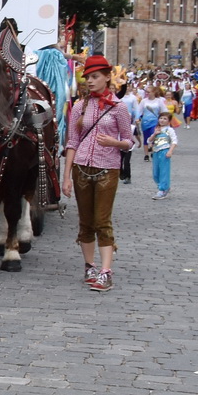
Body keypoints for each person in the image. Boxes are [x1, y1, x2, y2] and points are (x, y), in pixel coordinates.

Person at [64, 57, 135, 293]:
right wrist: (66, 177)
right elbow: (72, 142)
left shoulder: (119, 107)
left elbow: (129, 141)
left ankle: (106, 272)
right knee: (85, 222)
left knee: (102, 221)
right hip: (81, 168)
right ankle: (90, 266)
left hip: (107, 169)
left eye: (95, 77)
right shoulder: (79, 106)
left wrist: (115, 142)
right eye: (88, 77)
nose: (90, 81)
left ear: (107, 77)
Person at [149, 112, 176, 198]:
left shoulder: (170, 130)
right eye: (161, 118)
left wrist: (170, 151)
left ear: (169, 121)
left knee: (164, 171)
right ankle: (163, 186)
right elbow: (149, 140)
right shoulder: (157, 129)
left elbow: (174, 141)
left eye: (165, 119)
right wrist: (155, 134)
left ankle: (162, 189)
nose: (162, 120)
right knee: (155, 173)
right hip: (156, 151)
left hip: (164, 151)